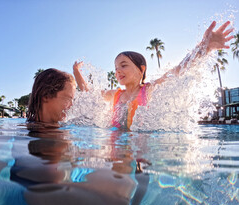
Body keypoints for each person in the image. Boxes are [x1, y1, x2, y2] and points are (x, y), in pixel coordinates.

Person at [73, 21, 234, 129]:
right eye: (115, 68)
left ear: (141, 69)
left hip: (141, 148)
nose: (118, 71)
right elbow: (90, 94)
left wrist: (205, 47)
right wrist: (77, 73)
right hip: (116, 144)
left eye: (123, 65)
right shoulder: (115, 94)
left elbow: (178, 70)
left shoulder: (148, 90)